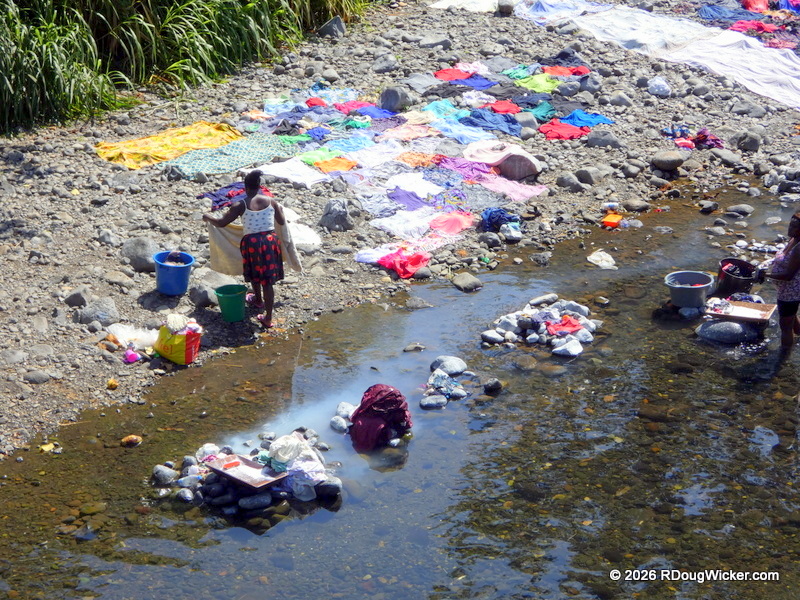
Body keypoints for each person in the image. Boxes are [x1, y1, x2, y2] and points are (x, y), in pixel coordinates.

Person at [203, 170, 285, 328]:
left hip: (252, 243)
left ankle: (258, 300)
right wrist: (279, 209)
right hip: (270, 241)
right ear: (260, 187)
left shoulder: (240, 205)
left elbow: (221, 223)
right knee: (268, 281)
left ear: (245, 188)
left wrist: (208, 217)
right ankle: (268, 317)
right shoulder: (271, 202)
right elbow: (281, 222)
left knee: (254, 271)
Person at [765, 211, 800, 350]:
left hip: (791, 292)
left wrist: (766, 275)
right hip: (786, 290)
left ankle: (784, 355)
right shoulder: (793, 239)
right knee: (791, 316)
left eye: (794, 227)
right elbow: (783, 257)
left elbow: (788, 275)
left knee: (785, 327)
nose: (790, 228)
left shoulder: (799, 248)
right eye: (790, 225)